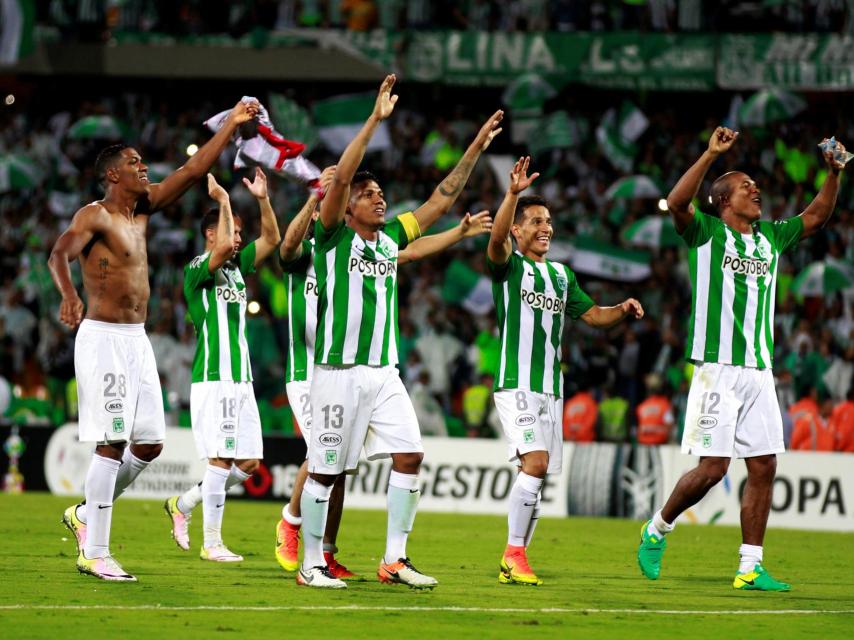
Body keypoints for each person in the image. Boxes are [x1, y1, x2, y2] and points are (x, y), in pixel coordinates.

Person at [295, 74, 502, 589]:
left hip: (383, 372)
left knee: (411, 455)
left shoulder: (387, 241)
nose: (379, 200)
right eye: (369, 195)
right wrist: (374, 120)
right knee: (325, 471)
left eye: (381, 193)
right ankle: (311, 565)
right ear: (348, 206)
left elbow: (440, 202)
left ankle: (394, 559)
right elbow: (339, 179)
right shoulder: (332, 235)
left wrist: (475, 147)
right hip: (337, 372)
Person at [48, 100, 259, 582]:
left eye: (143, 162)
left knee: (149, 445)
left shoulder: (142, 210)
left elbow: (191, 170)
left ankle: (85, 514)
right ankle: (96, 551)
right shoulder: (95, 216)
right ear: (111, 176)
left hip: (136, 339)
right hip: (102, 336)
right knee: (112, 442)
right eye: (133, 163)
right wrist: (68, 296)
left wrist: (229, 126)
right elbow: (58, 254)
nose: (143, 167)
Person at [637, 127, 847, 591]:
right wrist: (710, 153)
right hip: (718, 371)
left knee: (764, 465)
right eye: (745, 186)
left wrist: (833, 175)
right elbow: (675, 202)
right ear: (723, 201)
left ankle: (750, 566)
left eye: (756, 184)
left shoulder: (770, 237)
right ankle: (657, 528)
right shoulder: (706, 233)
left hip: (758, 369)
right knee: (714, 468)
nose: (757, 189)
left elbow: (816, 217)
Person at [487, 156, 644, 586]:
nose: (546, 227)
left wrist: (622, 309)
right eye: (535, 220)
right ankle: (513, 554)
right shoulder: (509, 268)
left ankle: (515, 560)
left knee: (537, 479)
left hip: (550, 390)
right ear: (519, 230)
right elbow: (496, 239)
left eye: (549, 220)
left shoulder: (560, 276)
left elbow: (593, 316)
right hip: (515, 383)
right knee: (534, 464)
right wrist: (512, 194)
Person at [163, 168, 280, 560]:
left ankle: (185, 504)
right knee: (222, 458)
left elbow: (274, 240)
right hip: (215, 377)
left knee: (249, 462)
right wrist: (225, 201)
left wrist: (262, 198)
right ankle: (211, 544)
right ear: (212, 234)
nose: (240, 238)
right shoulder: (198, 269)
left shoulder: (235, 269)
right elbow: (224, 249)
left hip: (241, 380)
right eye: (232, 229)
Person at [635, 374, 675, 446]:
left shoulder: (641, 406)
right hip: (660, 443)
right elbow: (670, 424)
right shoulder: (665, 405)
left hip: (642, 443)